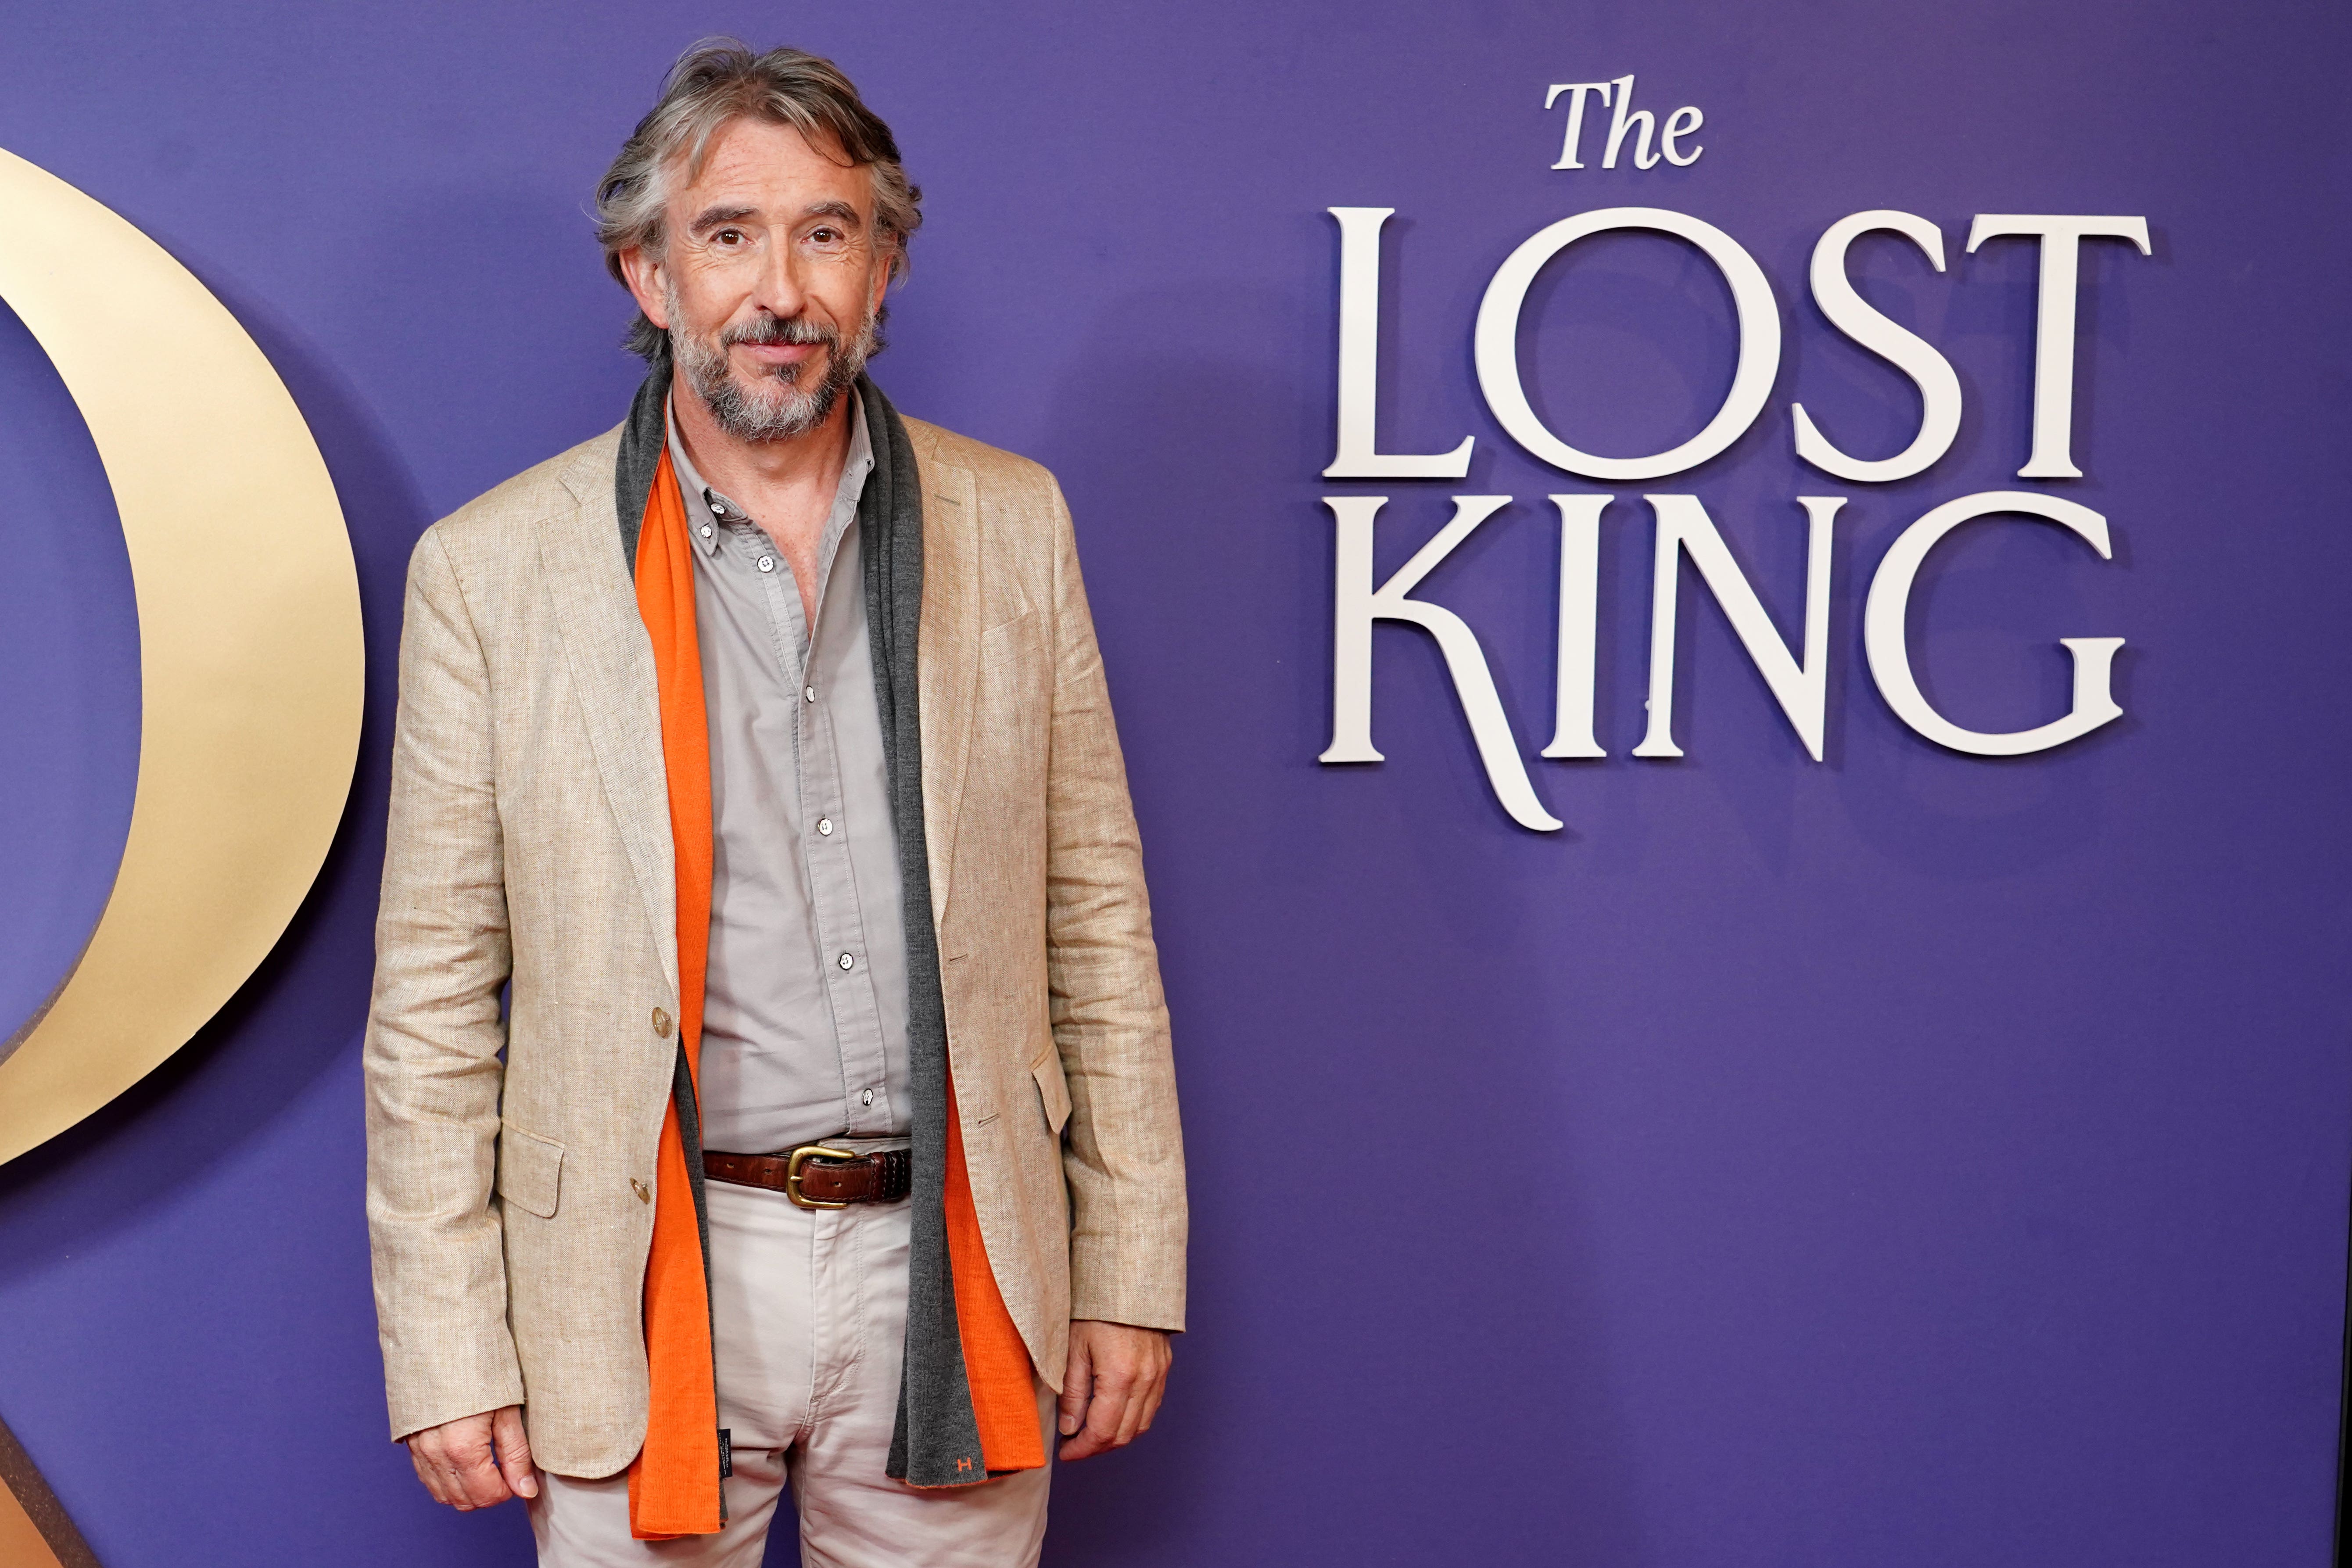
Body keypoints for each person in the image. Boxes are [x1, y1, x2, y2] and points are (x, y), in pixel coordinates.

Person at [362, 39, 1186, 1567]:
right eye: (729, 235)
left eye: (829, 232)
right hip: (642, 1274)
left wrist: (1131, 1260)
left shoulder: (1016, 526)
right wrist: (449, 1343)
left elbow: (1096, 920)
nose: (782, 290)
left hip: (956, 1257)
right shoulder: (492, 572)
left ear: (883, 272)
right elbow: (430, 998)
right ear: (650, 277)